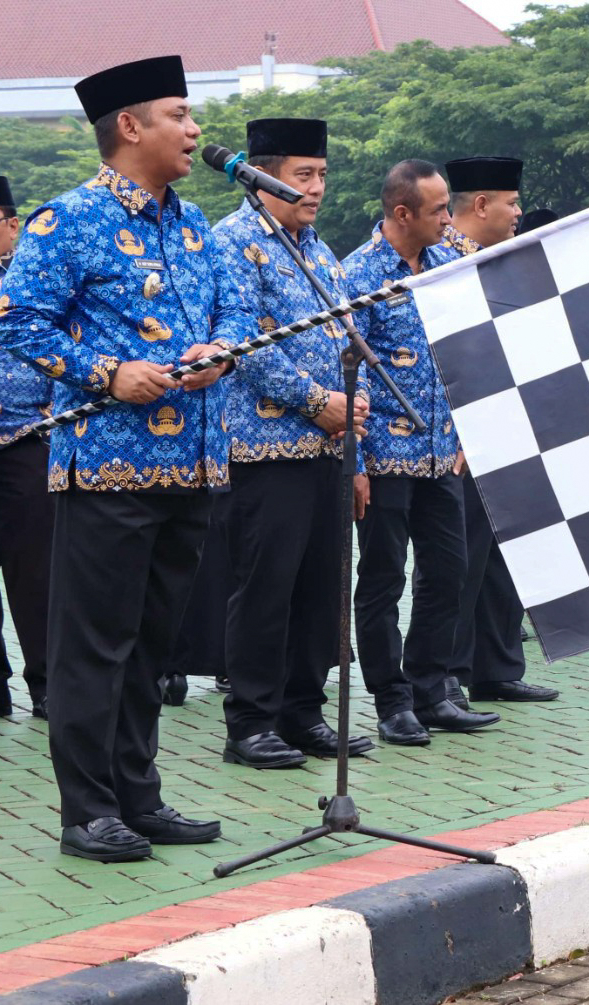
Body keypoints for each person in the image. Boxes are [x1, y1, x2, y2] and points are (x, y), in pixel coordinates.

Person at [0, 55, 238, 860]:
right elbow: (18, 323)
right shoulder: (65, 222)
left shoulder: (197, 223)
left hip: (192, 466)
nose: (194, 128)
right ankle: (86, 810)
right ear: (129, 126)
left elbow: (231, 311)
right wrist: (108, 373)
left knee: (153, 646)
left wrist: (218, 354)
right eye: (178, 113)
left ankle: (141, 794)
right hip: (105, 468)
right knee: (94, 646)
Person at [213, 117, 375, 767]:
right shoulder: (233, 243)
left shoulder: (320, 252)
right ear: (262, 175)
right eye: (303, 175)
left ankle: (303, 711)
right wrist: (320, 403)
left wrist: (351, 441)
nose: (317, 188)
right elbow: (246, 346)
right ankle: (250, 722)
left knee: (321, 588)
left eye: (323, 175)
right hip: (266, 445)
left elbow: (343, 346)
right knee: (266, 587)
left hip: (330, 449)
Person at [343, 159, 500, 745]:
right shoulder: (355, 275)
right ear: (401, 213)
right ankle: (392, 700)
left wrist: (460, 434)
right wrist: (354, 465)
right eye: (438, 209)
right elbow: (346, 374)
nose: (447, 217)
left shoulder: (449, 265)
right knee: (383, 578)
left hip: (439, 454)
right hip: (382, 457)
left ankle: (432, 688)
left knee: (449, 571)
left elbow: (465, 356)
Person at [439, 156, 556, 704]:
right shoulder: (443, 269)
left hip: (510, 426)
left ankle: (498, 667)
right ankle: (452, 670)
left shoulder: (503, 263)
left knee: (506, 551)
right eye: (512, 203)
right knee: (459, 557)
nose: (519, 213)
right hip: (457, 438)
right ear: (481, 205)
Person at [0, 175, 53, 721]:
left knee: (36, 571)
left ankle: (49, 684)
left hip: (25, 438)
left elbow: (66, 339)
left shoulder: (32, 279)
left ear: (13, 224)